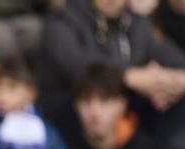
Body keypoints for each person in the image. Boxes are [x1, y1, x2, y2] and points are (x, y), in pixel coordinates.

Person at [40, 0, 185, 116]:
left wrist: (174, 82)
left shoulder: (136, 21)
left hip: (128, 115)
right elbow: (74, 62)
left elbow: (167, 53)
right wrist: (128, 77)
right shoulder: (62, 20)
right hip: (72, 112)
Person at [62, 64, 155, 149]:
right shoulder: (62, 148)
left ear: (122, 104)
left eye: (104, 101)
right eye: (86, 101)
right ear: (76, 105)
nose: (95, 112)